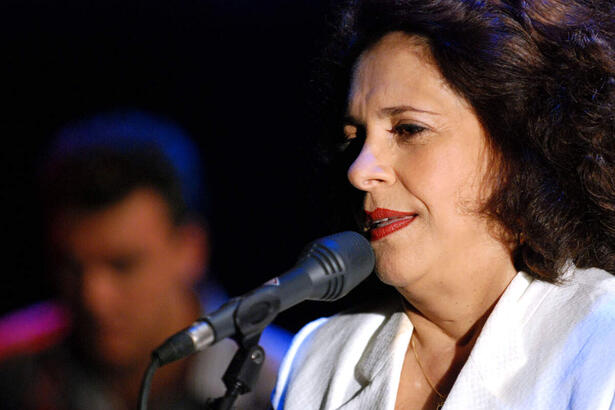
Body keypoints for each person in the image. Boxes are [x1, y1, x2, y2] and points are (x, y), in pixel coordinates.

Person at [272, 0, 615, 409]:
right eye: (355, 137)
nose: (360, 171)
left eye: (409, 129)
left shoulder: (601, 344)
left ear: (519, 145)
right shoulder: (320, 358)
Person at [0, 110, 291, 410]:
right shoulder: (11, 367)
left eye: (123, 264)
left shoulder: (286, 389)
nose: (94, 297)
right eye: (71, 267)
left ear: (192, 248)